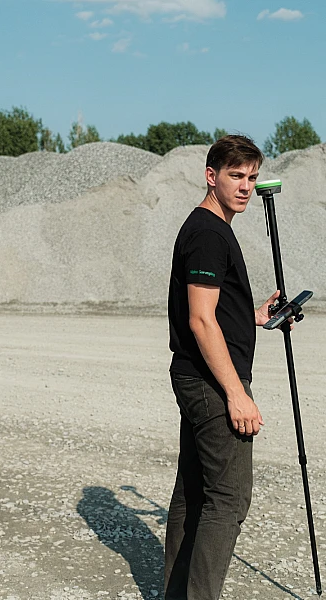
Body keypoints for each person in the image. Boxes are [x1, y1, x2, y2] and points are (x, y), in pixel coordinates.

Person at [164, 135, 280, 599]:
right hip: (211, 382)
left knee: (194, 493)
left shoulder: (206, 227)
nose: (246, 186)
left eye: (252, 176)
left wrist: (253, 316)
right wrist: (237, 394)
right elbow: (199, 319)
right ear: (211, 176)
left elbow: (210, 310)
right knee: (229, 498)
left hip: (195, 375)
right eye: (236, 175)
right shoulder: (209, 234)